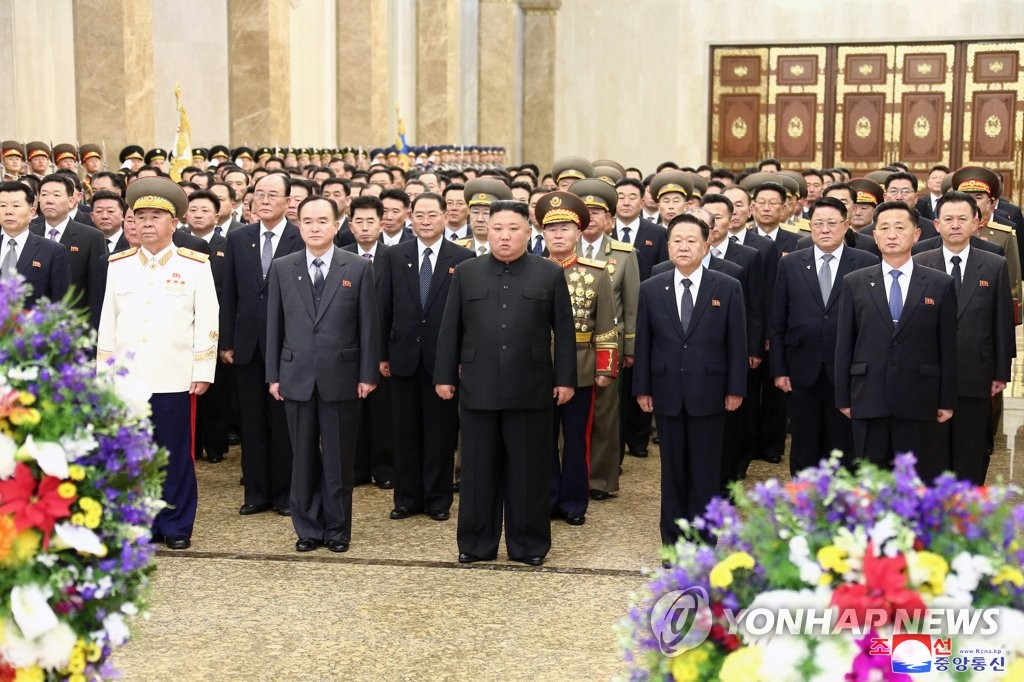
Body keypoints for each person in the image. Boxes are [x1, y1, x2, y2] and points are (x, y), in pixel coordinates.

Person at [435, 199, 576, 567]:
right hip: (478, 389)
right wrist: (444, 376)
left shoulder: (548, 273)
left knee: (529, 472)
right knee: (478, 470)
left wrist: (566, 379)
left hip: (531, 389)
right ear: (486, 231)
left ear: (529, 233)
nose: (505, 236)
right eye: (497, 229)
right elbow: (451, 328)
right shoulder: (466, 272)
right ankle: (476, 543)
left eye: (514, 229)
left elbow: (563, 332)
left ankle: (528, 544)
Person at [97, 177, 219, 550]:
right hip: (129, 379)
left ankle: (177, 523)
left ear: (173, 223)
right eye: (140, 217)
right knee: (132, 455)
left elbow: (208, 318)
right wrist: (104, 375)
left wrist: (202, 371)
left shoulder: (195, 265)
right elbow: (108, 321)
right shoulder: (118, 266)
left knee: (175, 454)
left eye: (156, 217)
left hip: (174, 375)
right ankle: (142, 522)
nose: (146, 224)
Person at [266, 195, 379, 552]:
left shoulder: (357, 267)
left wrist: (367, 374)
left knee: (338, 458)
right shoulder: (284, 267)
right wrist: (273, 374)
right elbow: (274, 325)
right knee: (301, 457)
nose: (314, 228)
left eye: (321, 221)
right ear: (298, 225)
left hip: (342, 376)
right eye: (307, 221)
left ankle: (337, 528)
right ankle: (308, 529)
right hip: (295, 374)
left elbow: (369, 326)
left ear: (337, 225)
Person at [633, 213, 747, 547]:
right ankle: (673, 543)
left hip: (710, 392)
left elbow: (736, 343)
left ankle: (704, 541)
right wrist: (642, 388)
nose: (683, 247)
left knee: (706, 472)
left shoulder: (726, 286)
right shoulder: (652, 287)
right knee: (672, 473)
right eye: (677, 241)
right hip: (666, 391)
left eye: (691, 240)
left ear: (706, 243)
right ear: (668, 245)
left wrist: (735, 388)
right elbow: (644, 341)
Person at [835, 201, 957, 477]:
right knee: (870, 479)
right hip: (868, 395)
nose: (892, 235)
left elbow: (947, 346)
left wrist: (946, 399)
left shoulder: (940, 283)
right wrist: (843, 396)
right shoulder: (854, 282)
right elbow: (844, 343)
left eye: (900, 228)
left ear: (916, 234)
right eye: (884, 228)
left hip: (919, 397)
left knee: (915, 479)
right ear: (874, 235)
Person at [378, 192, 474, 521]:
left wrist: (461, 358)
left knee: (440, 433)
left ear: (446, 217)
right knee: (404, 432)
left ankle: (437, 499)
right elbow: (383, 307)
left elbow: (466, 316)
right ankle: (406, 498)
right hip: (402, 357)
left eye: (432, 215)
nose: (425, 221)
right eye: (419, 215)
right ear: (410, 218)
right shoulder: (394, 256)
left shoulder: (462, 258)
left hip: (442, 362)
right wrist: (381, 354)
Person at [770, 197, 878, 474]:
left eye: (832, 223)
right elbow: (778, 320)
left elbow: (871, 322)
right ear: (810, 227)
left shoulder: (865, 262)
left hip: (848, 370)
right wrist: (779, 369)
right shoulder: (791, 263)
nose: (825, 229)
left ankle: (842, 506)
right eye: (818, 224)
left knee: (844, 445)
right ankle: (805, 505)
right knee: (805, 444)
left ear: (846, 225)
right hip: (801, 368)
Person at [914, 192, 1014, 484]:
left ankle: (968, 515)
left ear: (977, 223)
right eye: (948, 219)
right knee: (931, 451)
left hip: (976, 373)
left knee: (970, 450)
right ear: (936, 224)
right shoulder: (920, 261)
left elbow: (1001, 322)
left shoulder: (994, 264)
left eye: (962, 219)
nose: (955, 225)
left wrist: (1001, 372)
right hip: (927, 374)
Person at [220, 172, 303, 517]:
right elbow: (230, 293)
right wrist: (227, 340)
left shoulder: (300, 238)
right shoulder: (240, 239)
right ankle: (255, 491)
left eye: (273, 195)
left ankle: (284, 493)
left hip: (286, 344)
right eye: (259, 194)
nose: (265, 200)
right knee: (252, 420)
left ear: (287, 202)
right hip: (248, 344)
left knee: (282, 421)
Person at [536, 191, 617, 525]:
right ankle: (549, 498)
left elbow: (606, 325)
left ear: (579, 232)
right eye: (551, 229)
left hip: (582, 368)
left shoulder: (596, 273)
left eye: (565, 228)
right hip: (539, 368)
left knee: (576, 442)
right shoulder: (531, 271)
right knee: (542, 439)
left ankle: (573, 502)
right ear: (541, 233)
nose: (558, 235)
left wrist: (604, 369)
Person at [569, 178, 640, 499]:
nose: (592, 218)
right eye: (586, 212)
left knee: (604, 417)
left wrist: (629, 348)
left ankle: (599, 480)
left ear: (609, 219)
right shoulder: (559, 250)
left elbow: (632, 305)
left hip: (605, 347)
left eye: (598, 212)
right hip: (567, 346)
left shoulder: (624, 255)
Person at [0, 181, 70, 307]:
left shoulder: (53, 251)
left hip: (32, 325)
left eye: (16, 206)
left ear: (31, 212)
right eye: (2, 205)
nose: (8, 211)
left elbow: (59, 303)